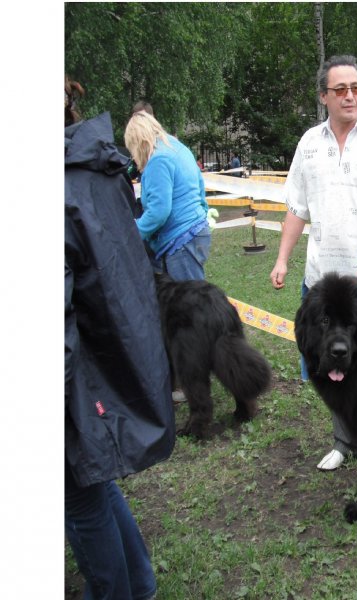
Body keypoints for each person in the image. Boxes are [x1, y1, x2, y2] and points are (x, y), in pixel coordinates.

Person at [269, 54, 357, 471]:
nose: (350, 96)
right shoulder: (309, 144)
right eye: (341, 89)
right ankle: (342, 441)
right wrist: (281, 259)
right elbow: (296, 208)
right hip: (322, 281)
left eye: (356, 88)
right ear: (323, 96)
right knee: (329, 359)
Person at [65, 75, 175, 600]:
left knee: (79, 494)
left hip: (80, 365)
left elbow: (154, 215)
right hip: (103, 350)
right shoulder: (97, 167)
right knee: (93, 481)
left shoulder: (70, 178)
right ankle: (140, 587)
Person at [124, 111, 211, 281]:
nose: (134, 156)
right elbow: (200, 189)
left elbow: (159, 212)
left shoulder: (158, 159)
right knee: (192, 296)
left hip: (180, 239)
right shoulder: (178, 148)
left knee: (187, 302)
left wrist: (132, 232)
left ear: (138, 142)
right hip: (197, 230)